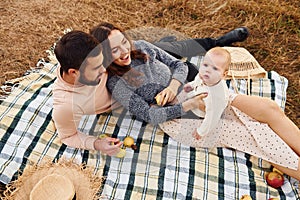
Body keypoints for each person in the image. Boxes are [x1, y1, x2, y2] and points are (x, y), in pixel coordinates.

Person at [89, 22, 300, 180]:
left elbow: (179, 65)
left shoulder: (143, 47)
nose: (124, 51)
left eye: (123, 42)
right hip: (180, 117)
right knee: (256, 136)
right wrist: (188, 105)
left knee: (269, 109)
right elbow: (149, 115)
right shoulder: (116, 83)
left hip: (199, 88)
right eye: (114, 49)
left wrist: (173, 86)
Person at [52, 26, 247, 157]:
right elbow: (68, 136)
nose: (104, 69)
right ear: (74, 72)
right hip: (133, 82)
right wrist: (96, 144)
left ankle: (217, 41)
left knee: (176, 49)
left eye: (103, 60)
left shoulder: (101, 59)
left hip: (138, 61)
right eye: (97, 68)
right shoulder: (65, 105)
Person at [182, 47, 231, 139]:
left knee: (177, 112)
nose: (207, 70)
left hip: (199, 111)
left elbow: (212, 118)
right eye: (205, 65)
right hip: (196, 94)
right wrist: (191, 85)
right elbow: (197, 80)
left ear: (224, 74)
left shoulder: (217, 97)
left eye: (215, 68)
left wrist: (201, 131)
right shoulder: (204, 74)